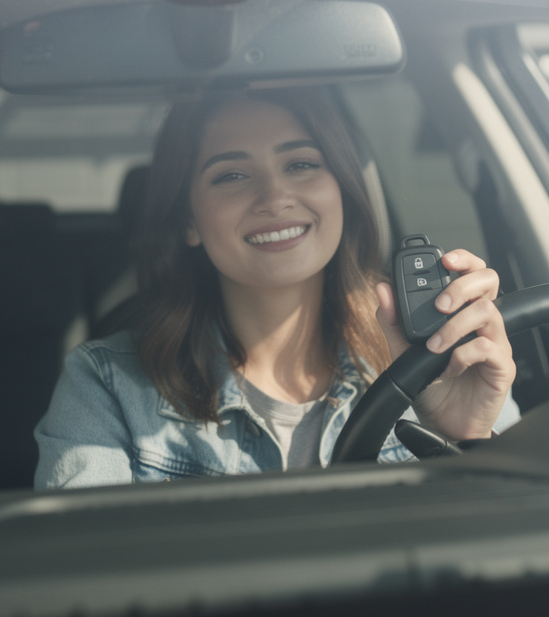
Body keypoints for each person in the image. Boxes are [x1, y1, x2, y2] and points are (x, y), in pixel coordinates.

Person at [34, 90, 520, 489]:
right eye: (231, 175)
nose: (274, 197)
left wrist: (467, 438)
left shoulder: (440, 360)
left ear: (342, 188)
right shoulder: (106, 388)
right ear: (189, 220)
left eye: (301, 164)